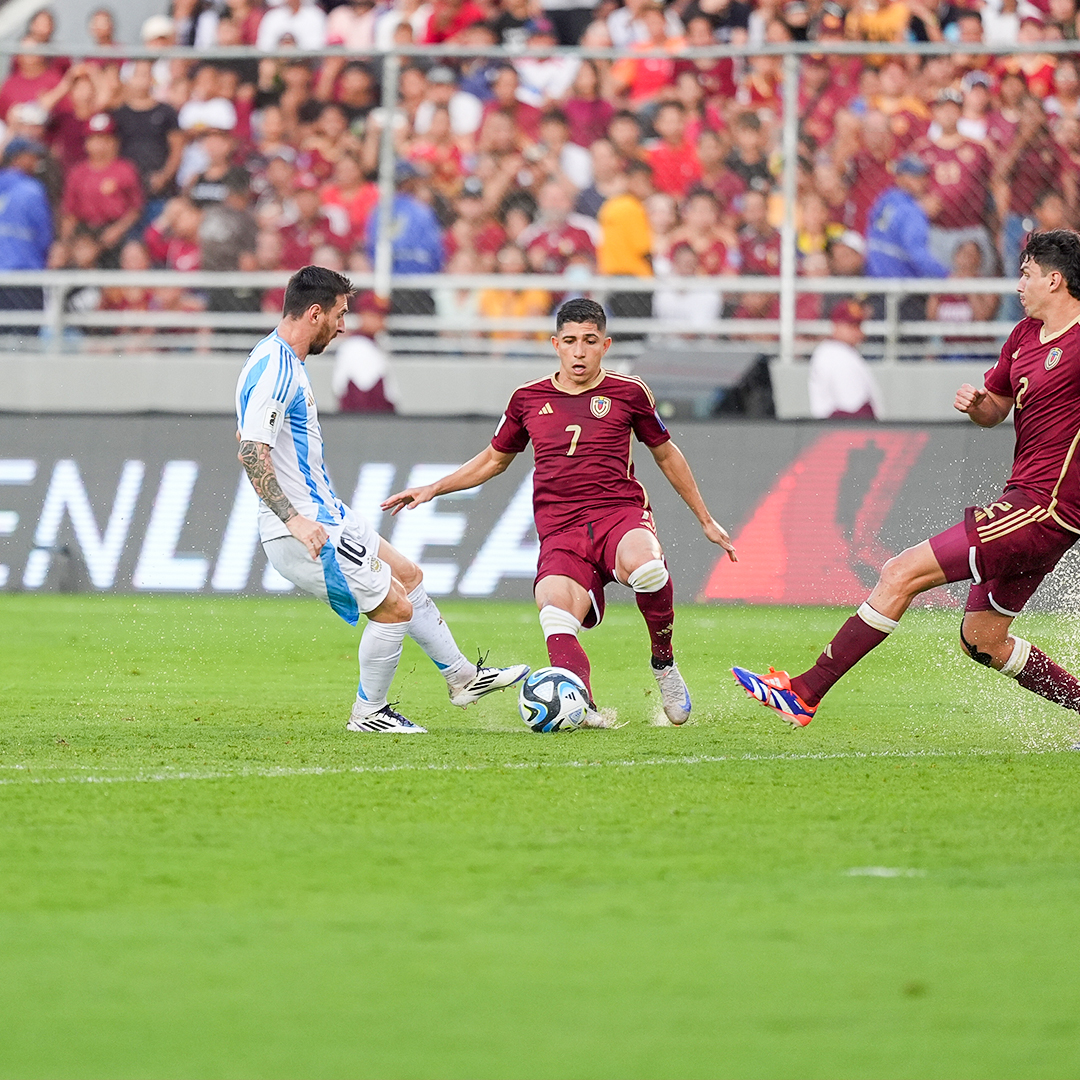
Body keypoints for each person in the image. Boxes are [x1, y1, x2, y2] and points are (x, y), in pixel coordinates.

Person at [733, 230, 1080, 730]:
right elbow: (997, 408)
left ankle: (805, 692)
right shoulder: (1024, 337)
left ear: (1055, 278)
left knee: (900, 571)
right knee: (982, 637)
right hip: (1026, 502)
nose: (1018, 284)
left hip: (1044, 508)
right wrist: (981, 406)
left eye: (1025, 274)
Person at [382, 297, 738, 726]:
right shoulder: (527, 399)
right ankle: (581, 704)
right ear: (555, 344)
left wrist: (705, 518)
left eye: (589, 341)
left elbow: (666, 454)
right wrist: (433, 488)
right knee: (552, 611)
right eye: (570, 341)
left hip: (618, 516)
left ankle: (663, 664)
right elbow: (494, 460)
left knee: (648, 570)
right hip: (561, 532)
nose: (579, 351)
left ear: (605, 345)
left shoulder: (629, 392)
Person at [235, 265, 530, 734]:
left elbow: (251, 432)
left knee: (408, 576)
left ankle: (462, 678)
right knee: (394, 608)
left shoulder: (281, 362)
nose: (344, 326)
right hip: (306, 527)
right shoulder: (275, 367)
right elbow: (251, 451)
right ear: (315, 313)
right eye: (340, 314)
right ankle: (368, 712)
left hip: (327, 513)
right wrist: (294, 521)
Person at [807, 300, 882, 419]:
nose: (858, 332)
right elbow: (852, 408)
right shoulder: (835, 354)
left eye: (859, 325)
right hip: (840, 428)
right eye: (851, 326)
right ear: (836, 325)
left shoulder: (840, 351)